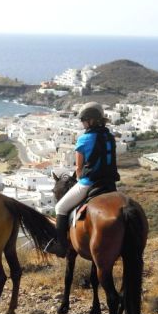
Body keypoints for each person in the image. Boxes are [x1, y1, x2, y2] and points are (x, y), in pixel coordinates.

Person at [45, 102, 119, 258]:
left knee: (60, 208)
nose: (82, 123)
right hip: (110, 184)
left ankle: (61, 246)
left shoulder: (84, 139)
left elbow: (79, 168)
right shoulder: (110, 137)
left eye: (83, 120)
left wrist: (79, 178)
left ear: (90, 120)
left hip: (89, 183)